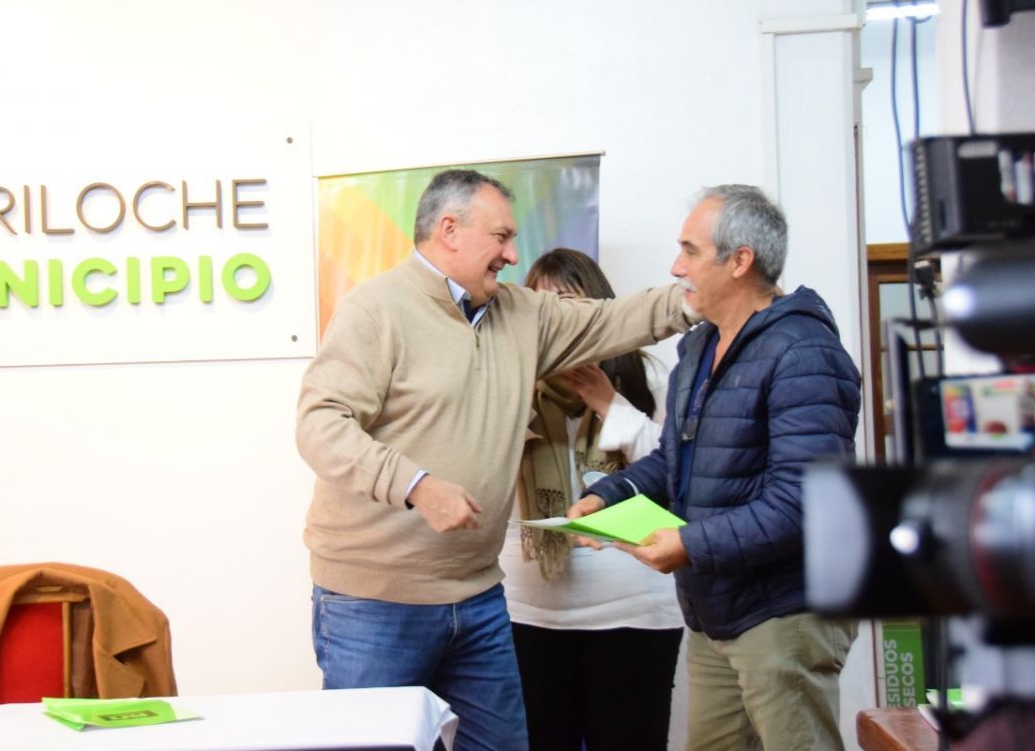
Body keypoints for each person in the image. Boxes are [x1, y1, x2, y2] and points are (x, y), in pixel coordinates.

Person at [295, 169, 692, 751]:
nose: (512, 255)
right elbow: (319, 424)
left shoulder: (524, 314)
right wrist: (416, 484)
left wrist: (697, 297)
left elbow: (612, 319)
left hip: (478, 597)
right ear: (449, 230)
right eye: (501, 237)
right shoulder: (375, 310)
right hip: (375, 603)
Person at [571, 184, 862, 751]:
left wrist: (689, 544)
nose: (675, 267)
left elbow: (802, 502)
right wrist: (610, 494)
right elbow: (674, 461)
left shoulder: (804, 352)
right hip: (715, 613)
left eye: (690, 251)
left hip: (783, 615)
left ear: (740, 261)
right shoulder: (699, 349)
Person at [499, 248, 684, 751]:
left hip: (634, 608)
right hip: (530, 610)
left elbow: (677, 472)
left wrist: (607, 403)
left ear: (598, 308)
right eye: (542, 305)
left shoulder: (648, 376)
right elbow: (482, 478)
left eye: (568, 301)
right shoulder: (510, 381)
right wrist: (516, 408)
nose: (557, 317)